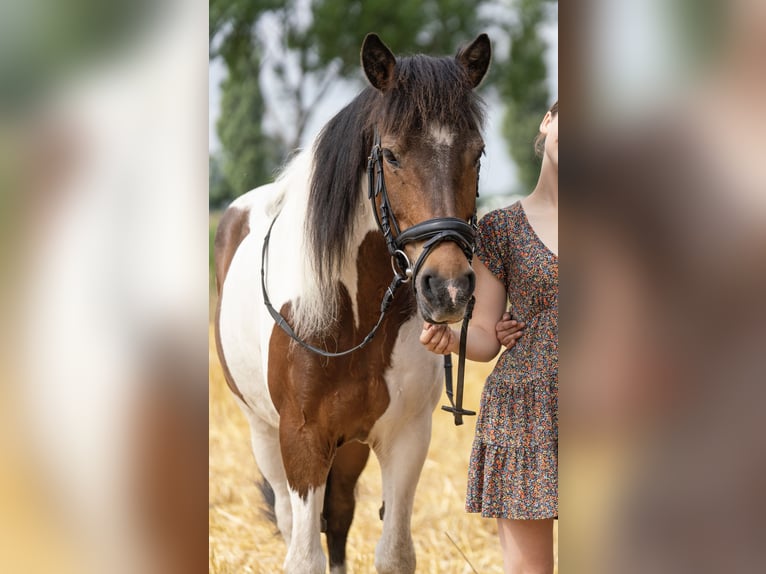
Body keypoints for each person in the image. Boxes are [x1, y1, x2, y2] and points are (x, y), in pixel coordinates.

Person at [420, 101, 558, 574]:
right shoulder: (500, 229)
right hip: (526, 412)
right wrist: (452, 339)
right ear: (547, 121)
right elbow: (484, 337)